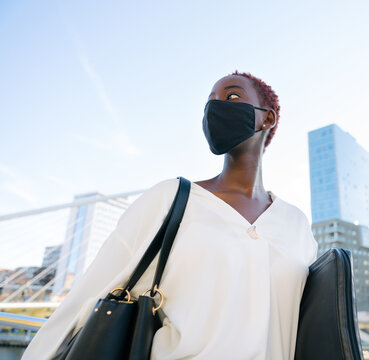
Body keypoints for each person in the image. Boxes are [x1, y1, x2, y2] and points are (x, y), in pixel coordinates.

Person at [22, 71, 318, 360]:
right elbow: (84, 298)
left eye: (231, 96)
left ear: (267, 117)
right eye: (209, 101)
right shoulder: (170, 199)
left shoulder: (296, 224)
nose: (216, 107)